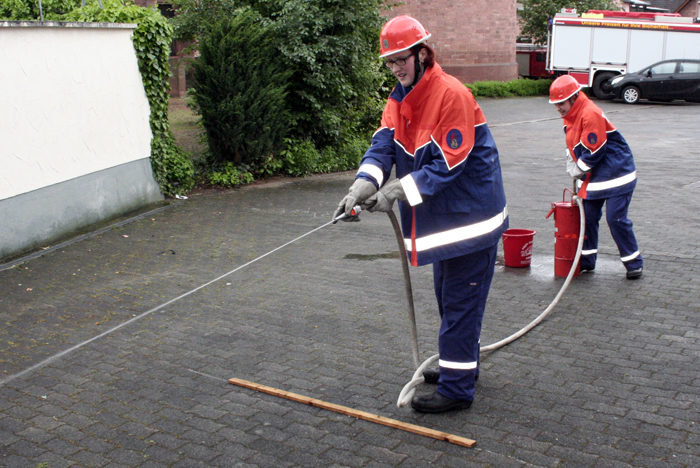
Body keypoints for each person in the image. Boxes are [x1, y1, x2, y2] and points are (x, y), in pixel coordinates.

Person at [333, 15, 508, 413]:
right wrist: (362, 184)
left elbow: (448, 165)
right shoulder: (399, 98)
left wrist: (394, 191)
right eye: (390, 62)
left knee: (460, 303)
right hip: (447, 222)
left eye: (401, 59)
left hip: (472, 220)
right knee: (450, 299)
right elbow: (383, 146)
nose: (396, 68)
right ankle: (459, 366)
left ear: (422, 54)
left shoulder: (451, 95)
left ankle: (457, 389)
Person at [549, 75, 643, 279]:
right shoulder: (571, 116)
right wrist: (572, 159)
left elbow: (595, 149)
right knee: (587, 219)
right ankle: (587, 261)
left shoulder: (589, 113)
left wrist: (579, 169)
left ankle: (634, 263)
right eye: (556, 104)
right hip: (596, 178)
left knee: (615, 219)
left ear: (574, 97)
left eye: (561, 103)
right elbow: (575, 144)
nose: (558, 108)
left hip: (618, 175)